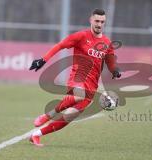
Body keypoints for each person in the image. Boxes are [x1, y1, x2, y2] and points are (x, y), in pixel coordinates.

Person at [29, 8, 121, 147]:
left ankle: (36, 135)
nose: (99, 24)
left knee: (69, 116)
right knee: (79, 95)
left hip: (92, 86)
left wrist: (115, 71)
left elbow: (110, 62)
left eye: (102, 22)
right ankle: (48, 115)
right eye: (97, 21)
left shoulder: (107, 43)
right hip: (77, 78)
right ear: (91, 20)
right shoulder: (80, 36)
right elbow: (60, 46)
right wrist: (43, 59)